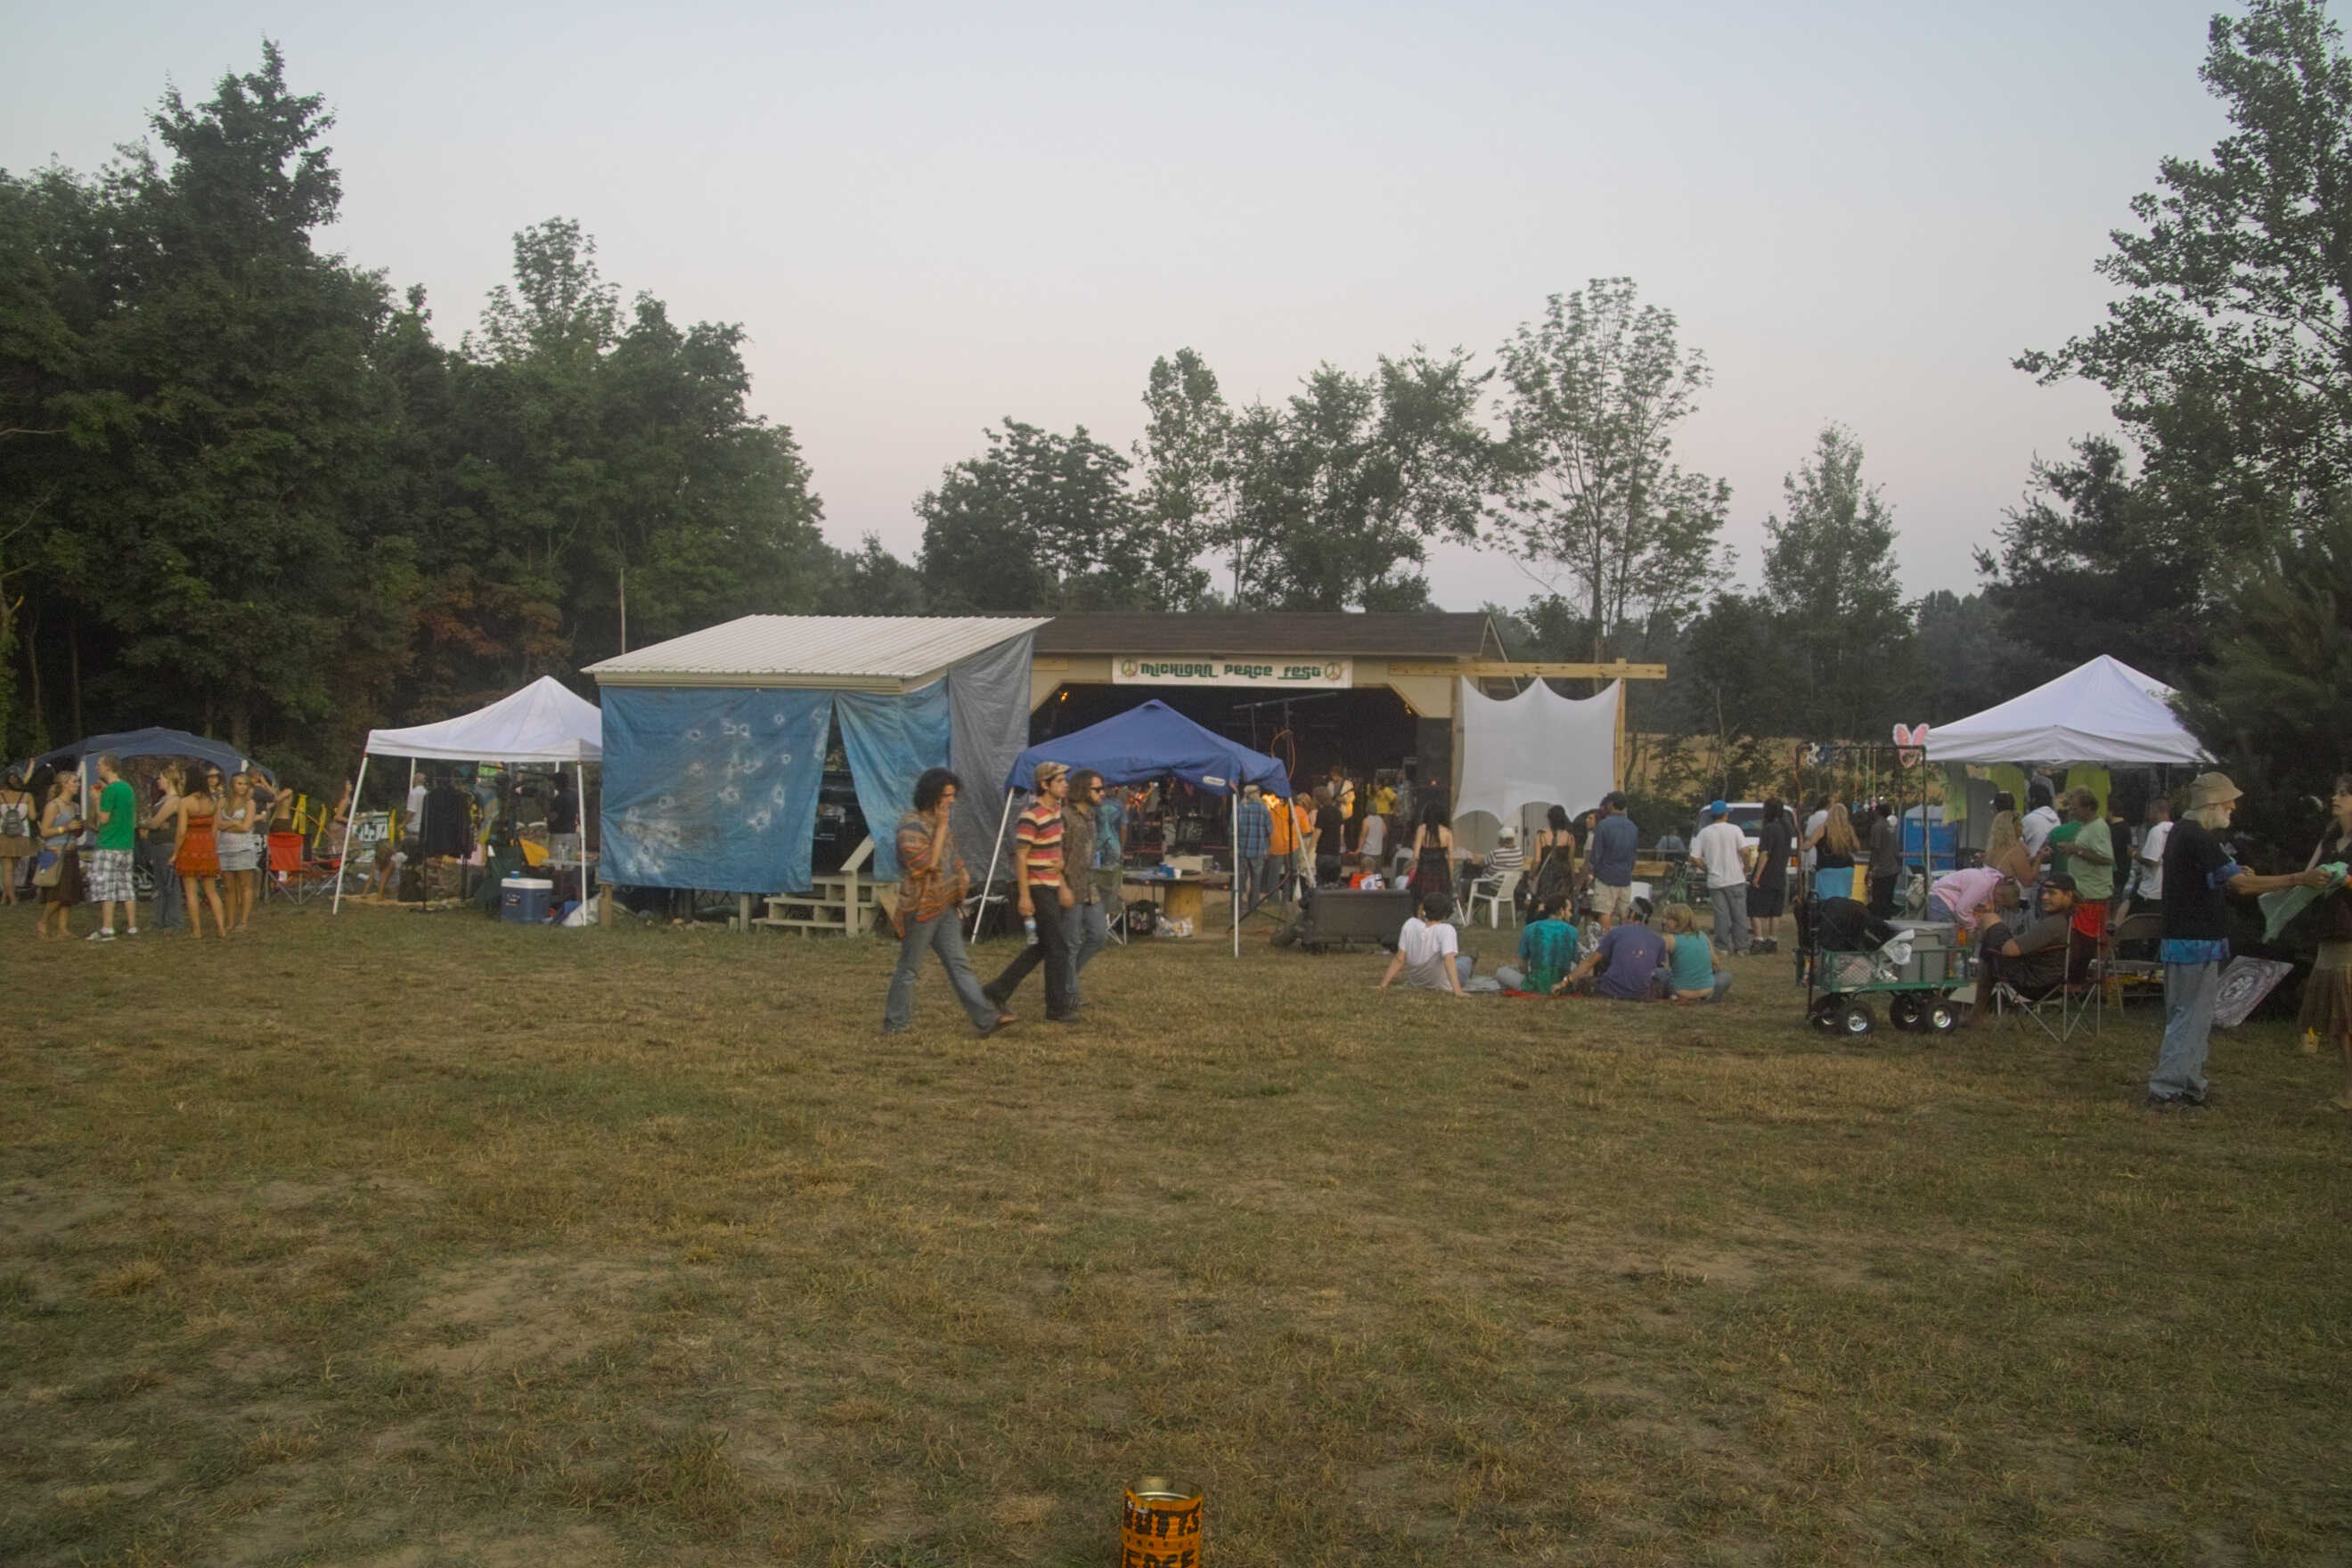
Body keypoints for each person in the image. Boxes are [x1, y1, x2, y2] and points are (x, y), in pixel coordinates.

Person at [2151, 773, 2328, 1109]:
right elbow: (2242, 886)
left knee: (2197, 1018)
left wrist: (2239, 874)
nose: (2233, 807)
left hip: (2193, 941)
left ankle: (2190, 1085)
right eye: (2228, 801)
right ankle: (2167, 1090)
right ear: (2211, 804)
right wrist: (2299, 878)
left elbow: (2220, 877)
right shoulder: (2197, 836)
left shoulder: (2186, 833)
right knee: (2189, 1017)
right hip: (2192, 942)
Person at [882, 768, 1008, 1037]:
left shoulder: (944, 827)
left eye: (953, 795)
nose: (952, 800)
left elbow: (952, 857)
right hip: (920, 908)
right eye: (947, 795)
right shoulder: (910, 827)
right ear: (932, 796)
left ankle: (986, 1019)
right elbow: (927, 864)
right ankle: (895, 1023)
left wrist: (962, 875)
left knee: (959, 964)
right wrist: (940, 827)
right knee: (909, 968)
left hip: (945, 906)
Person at [984, 762, 1078, 1025]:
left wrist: (1062, 884)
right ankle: (1057, 1008)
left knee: (1042, 947)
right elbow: (1021, 857)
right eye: (1060, 780)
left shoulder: (1056, 812)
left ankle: (997, 990)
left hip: (1051, 885)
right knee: (1058, 948)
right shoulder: (1030, 816)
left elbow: (1055, 854)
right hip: (1037, 887)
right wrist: (1024, 896)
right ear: (1045, 785)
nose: (1066, 784)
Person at [2300, 776, 2352, 1109]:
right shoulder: (2331, 839)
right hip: (2330, 934)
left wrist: (2345, 880)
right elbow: (2307, 876)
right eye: (2336, 792)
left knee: (2347, 1020)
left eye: (2344, 793)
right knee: (2339, 1025)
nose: (2335, 797)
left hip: (2350, 938)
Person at [1971, 872, 2080, 1009]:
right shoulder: (2072, 919)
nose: (2044, 897)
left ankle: (1977, 1012)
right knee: (1989, 952)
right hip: (2055, 981)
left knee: (1989, 919)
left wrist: (1995, 938)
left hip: (2034, 983)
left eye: (2052, 893)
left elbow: (2010, 950)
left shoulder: (2054, 924)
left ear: (2068, 895)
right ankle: (1977, 1013)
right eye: (2044, 892)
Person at [1062, 770, 1111, 1007]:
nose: (1103, 793)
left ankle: (1065, 979)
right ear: (1083, 789)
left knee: (1099, 936)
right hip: (1070, 886)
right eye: (1097, 789)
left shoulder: (1091, 817)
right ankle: (1069, 994)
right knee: (1070, 943)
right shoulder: (1065, 817)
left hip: (1089, 887)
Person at [2053, 788, 2115, 965]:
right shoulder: (2087, 826)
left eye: (2075, 808)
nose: (2071, 812)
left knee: (2084, 944)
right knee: (2078, 943)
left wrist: (2076, 850)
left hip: (2092, 895)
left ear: (2088, 807)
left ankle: (2084, 974)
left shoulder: (2098, 828)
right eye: (2070, 808)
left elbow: (2107, 858)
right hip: (2083, 892)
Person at [85, 753, 139, 942]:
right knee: (126, 887)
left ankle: (107, 928)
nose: (96, 767)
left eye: (99, 764)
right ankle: (132, 926)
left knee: (106, 887)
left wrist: (96, 799)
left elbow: (104, 819)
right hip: (126, 845)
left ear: (108, 766)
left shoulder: (110, 791)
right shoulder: (128, 788)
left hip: (108, 844)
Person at [1689, 800, 1753, 955]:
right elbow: (1745, 852)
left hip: (1715, 881)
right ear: (1725, 814)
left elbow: (1693, 858)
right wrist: (1746, 868)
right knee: (1739, 915)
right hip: (1735, 878)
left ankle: (1722, 946)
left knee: (1721, 916)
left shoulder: (1704, 833)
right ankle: (1741, 947)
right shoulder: (1735, 829)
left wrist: (1707, 868)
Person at [1377, 890, 1470, 995]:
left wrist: (1382, 985)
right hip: (1442, 984)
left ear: (1423, 909)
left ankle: (1468, 957)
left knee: (1458, 961)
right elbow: (1449, 961)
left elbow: (1399, 959)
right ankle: (1471, 957)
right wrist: (1458, 991)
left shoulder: (1410, 924)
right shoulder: (1446, 930)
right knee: (1465, 962)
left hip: (1417, 982)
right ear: (1445, 914)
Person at [173, 768, 229, 938]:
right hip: (207, 846)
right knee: (212, 891)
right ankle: (221, 928)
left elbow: (181, 831)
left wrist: (175, 852)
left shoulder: (185, 802)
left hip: (190, 846)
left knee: (191, 892)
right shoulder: (213, 801)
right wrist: (211, 846)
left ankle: (197, 930)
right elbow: (215, 828)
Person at [1558, 914, 1668, 1000]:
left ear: (1633, 914)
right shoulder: (1659, 940)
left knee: (1585, 982)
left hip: (1610, 990)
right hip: (1643, 994)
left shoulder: (1616, 931)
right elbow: (1657, 968)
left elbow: (1590, 962)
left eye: (1626, 913)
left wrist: (1565, 981)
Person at [34, 772, 86, 940]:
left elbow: (76, 831)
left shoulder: (75, 807)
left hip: (71, 851)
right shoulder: (53, 806)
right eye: (74, 782)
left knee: (68, 893)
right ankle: (43, 921)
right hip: (56, 854)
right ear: (64, 784)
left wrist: (79, 828)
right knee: (58, 894)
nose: (78, 784)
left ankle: (63, 929)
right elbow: (44, 831)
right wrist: (65, 828)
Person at [1502, 892, 1579, 994]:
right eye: (1569, 910)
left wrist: (1528, 977)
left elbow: (1522, 963)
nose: (1571, 914)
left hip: (1534, 985)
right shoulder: (1573, 931)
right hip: (1562, 985)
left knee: (1502, 971)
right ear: (1561, 911)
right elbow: (1575, 961)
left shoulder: (1529, 928)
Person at [216, 772, 262, 933]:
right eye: (239, 783)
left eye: (245, 784)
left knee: (245, 885)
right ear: (232, 785)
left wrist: (229, 825)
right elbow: (217, 824)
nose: (242, 787)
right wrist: (235, 823)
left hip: (243, 849)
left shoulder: (250, 803)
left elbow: (246, 827)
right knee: (228, 887)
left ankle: (243, 921)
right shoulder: (222, 802)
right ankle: (230, 921)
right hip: (224, 848)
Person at [142, 764, 185, 931]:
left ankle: (174, 921)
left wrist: (148, 824)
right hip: (157, 844)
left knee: (170, 884)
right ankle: (159, 920)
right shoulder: (162, 799)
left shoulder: (174, 801)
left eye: (160, 778)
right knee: (160, 885)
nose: (158, 781)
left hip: (167, 845)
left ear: (168, 779)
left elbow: (154, 823)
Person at [1660, 904, 1732, 1002]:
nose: (1664, 921)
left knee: (1660, 973)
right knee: (1725, 976)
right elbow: (1716, 963)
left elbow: (1654, 962)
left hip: (1678, 990)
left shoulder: (1669, 939)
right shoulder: (1702, 935)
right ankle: (1709, 996)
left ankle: (1677, 996)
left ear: (1680, 921)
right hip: (1706, 990)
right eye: (1664, 918)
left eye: (1668, 919)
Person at [1588, 792, 1639, 929]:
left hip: (1606, 876)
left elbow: (1596, 855)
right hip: (1625, 876)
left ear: (1611, 804)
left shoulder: (1603, 825)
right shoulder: (1632, 826)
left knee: (1604, 911)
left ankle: (1607, 939)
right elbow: (1633, 854)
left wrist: (1593, 871)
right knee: (1625, 914)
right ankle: (1625, 940)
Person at [1750, 795, 1793, 949]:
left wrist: (1757, 876)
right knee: (1775, 910)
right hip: (1780, 873)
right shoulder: (1787, 829)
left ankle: (1758, 939)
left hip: (1767, 874)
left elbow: (1765, 854)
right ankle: (1773, 940)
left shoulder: (1769, 829)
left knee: (1754, 907)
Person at [1527, 804, 1580, 911]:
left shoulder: (1541, 835)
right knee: (1563, 905)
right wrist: (1574, 879)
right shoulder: (1570, 837)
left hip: (1546, 876)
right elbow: (1571, 860)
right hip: (1564, 876)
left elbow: (1537, 859)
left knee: (1544, 905)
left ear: (1549, 819)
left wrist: (1531, 876)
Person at [1235, 781, 1275, 919]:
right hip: (1258, 850)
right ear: (1256, 794)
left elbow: (1231, 830)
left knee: (1240, 880)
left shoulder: (1239, 809)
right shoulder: (1264, 810)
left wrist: (1232, 847)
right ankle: (1253, 909)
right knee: (1256, 881)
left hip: (1242, 850)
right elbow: (1270, 830)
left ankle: (1236, 908)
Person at [1925, 863, 2012, 926]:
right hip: (1942, 902)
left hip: (1941, 900)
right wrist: (1974, 926)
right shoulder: (1983, 884)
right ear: (2000, 895)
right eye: (2003, 904)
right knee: (1947, 942)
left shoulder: (1989, 879)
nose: (2000, 906)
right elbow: (1962, 911)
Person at [2129, 795, 2173, 916]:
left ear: (2155, 810)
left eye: (2149, 810)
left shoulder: (2156, 831)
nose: (2148, 814)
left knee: (2133, 922)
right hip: (2166, 891)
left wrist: (2133, 854)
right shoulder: (2175, 829)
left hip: (2149, 893)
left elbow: (2152, 861)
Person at [1807, 801, 1859, 899]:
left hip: (1826, 869)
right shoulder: (1848, 829)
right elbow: (1856, 847)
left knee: (1826, 900)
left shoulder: (1822, 828)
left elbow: (1808, 845)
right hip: (1846, 869)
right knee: (1843, 899)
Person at [0, 768, 35, 904]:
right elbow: (32, 817)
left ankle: (5, 897)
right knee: (13, 869)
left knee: (7, 870)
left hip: (3, 834)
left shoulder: (1, 795)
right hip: (22, 834)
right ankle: (13, 898)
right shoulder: (27, 796)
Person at [1407, 803, 1454, 902]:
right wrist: (1450, 877)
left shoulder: (1421, 829)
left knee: (1422, 899)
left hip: (1425, 869)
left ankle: (1421, 913)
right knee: (1440, 899)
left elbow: (1416, 855)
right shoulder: (1448, 832)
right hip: (1441, 870)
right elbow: (1451, 858)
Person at [1865, 801, 1903, 917]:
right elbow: (1896, 850)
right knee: (1887, 904)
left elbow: (1875, 851)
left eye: (1874, 810)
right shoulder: (1890, 827)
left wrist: (1869, 871)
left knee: (1878, 904)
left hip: (1881, 871)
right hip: (1892, 870)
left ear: (1878, 812)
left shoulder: (1877, 827)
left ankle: (1879, 925)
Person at [2021, 784, 2061, 860]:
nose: (2026, 802)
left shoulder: (2029, 819)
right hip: (2051, 865)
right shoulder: (2056, 818)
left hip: (2034, 864)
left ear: (2033, 800)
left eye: (2027, 799)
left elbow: (2018, 845)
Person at [1800, 796, 1830, 882]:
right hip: (1821, 857)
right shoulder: (1826, 815)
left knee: (1811, 884)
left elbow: (1807, 836)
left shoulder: (1813, 815)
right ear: (1828, 805)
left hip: (1810, 856)